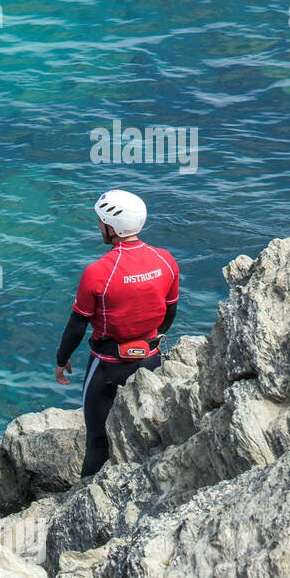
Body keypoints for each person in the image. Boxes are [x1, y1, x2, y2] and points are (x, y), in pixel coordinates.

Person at [55, 190, 180, 478]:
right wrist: (149, 337)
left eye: (101, 222)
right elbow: (169, 314)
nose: (98, 227)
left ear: (113, 227)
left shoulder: (98, 272)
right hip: (151, 360)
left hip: (107, 367)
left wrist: (62, 360)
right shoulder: (165, 261)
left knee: (97, 440)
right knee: (150, 435)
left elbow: (77, 326)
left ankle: (84, 498)